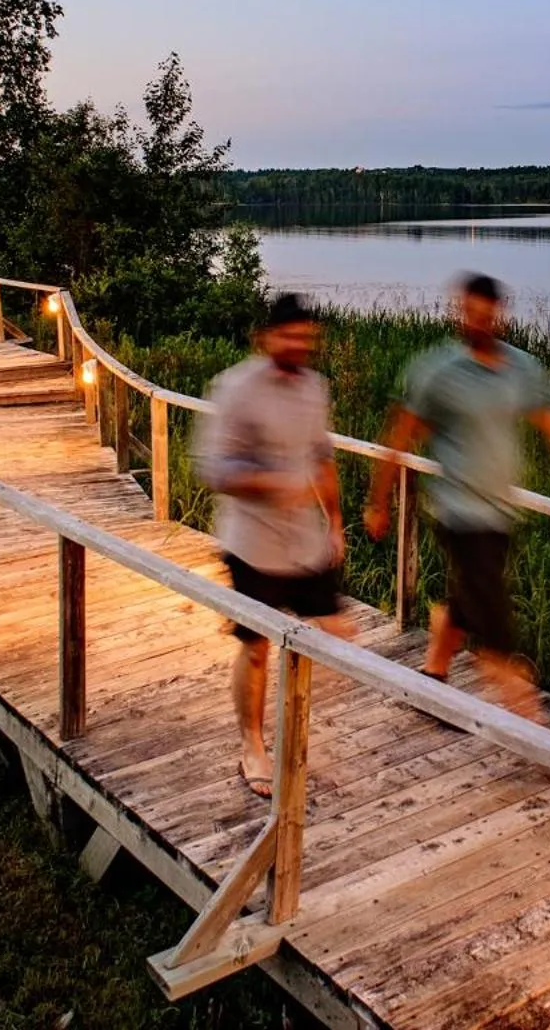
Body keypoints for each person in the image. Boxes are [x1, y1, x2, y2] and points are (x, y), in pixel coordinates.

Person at [363, 273, 550, 718]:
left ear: (500, 316)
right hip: (458, 510)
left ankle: (434, 668)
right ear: (459, 313)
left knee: (472, 597)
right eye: (471, 314)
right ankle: (529, 724)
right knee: (496, 630)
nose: (479, 323)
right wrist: (377, 502)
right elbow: (400, 437)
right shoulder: (437, 371)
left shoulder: (521, 368)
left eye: (487, 315)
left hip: (500, 510)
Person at [193, 292, 355, 797]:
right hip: (252, 542)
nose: (298, 345)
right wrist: (269, 483)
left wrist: (335, 523)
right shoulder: (237, 388)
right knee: (257, 646)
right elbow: (213, 468)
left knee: (337, 633)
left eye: (306, 337)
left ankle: (298, 711)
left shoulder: (314, 388)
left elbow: (321, 456)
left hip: (305, 539)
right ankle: (252, 744)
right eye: (289, 336)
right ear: (266, 338)